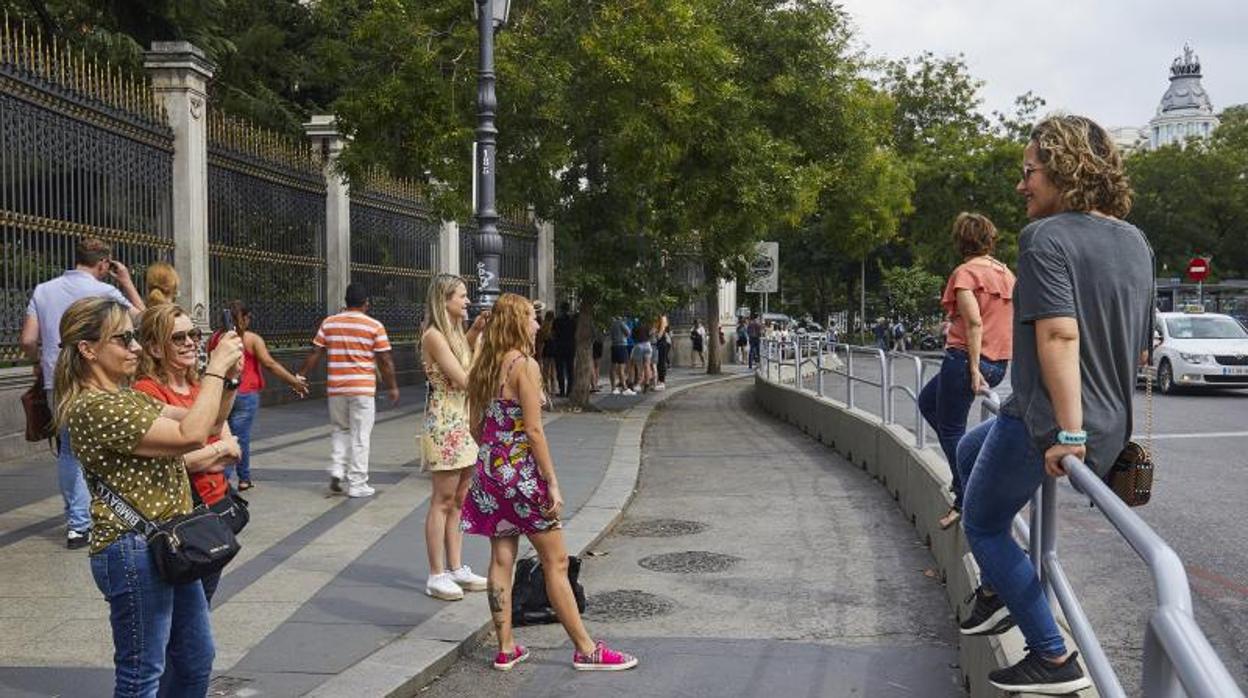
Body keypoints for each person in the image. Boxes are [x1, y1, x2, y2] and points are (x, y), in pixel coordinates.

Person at [957, 115, 1150, 694]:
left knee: (983, 523)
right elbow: (1138, 343)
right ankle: (1000, 588)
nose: (1021, 186)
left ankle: (1051, 655)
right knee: (968, 450)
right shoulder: (1134, 239)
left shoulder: (1044, 238)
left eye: (1030, 172)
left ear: (1066, 170)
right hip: (1102, 419)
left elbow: (1060, 336)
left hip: (1054, 420)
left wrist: (1066, 434)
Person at [55, 297, 243, 696]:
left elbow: (209, 424)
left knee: (196, 660)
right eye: (124, 340)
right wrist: (215, 368)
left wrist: (227, 379)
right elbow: (189, 437)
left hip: (166, 542)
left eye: (135, 338)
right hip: (131, 550)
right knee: (142, 674)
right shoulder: (94, 407)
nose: (136, 348)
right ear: (88, 349)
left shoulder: (128, 397)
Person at [461, 293, 638, 672]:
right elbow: (535, 432)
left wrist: (495, 455)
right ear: (515, 323)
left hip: (491, 473)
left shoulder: (484, 365)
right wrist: (552, 483)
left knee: (500, 558)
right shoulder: (524, 365)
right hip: (523, 475)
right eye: (531, 318)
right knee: (555, 561)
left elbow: (475, 425)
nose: (538, 325)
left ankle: (506, 647)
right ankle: (586, 649)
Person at [19, 237, 145, 549]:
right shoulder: (106, 292)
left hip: (56, 380)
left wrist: (40, 363)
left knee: (68, 451)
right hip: (100, 379)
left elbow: (26, 340)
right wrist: (127, 281)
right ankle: (112, 512)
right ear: (104, 264)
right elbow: (143, 316)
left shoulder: (43, 290)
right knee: (111, 446)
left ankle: (78, 525)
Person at [134, 303, 240, 604]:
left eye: (193, 334)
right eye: (178, 338)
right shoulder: (148, 391)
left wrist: (230, 381)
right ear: (154, 348)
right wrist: (216, 449)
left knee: (202, 605)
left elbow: (229, 444)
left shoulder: (199, 386)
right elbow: (174, 461)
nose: (191, 342)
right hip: (183, 522)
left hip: (215, 511)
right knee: (188, 615)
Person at [918, 213, 1015, 530]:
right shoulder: (1006, 274)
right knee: (926, 401)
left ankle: (965, 495)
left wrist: (973, 368)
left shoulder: (965, 274)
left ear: (961, 240)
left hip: (965, 360)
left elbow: (974, 322)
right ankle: (970, 469)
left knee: (950, 430)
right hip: (998, 363)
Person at [420, 274, 490, 601]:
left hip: (461, 421)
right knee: (442, 500)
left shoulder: (453, 333)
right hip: (446, 423)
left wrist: (475, 333)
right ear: (444, 299)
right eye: (461, 296)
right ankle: (436, 573)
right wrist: (480, 345)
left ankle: (457, 566)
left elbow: (464, 352)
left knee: (460, 499)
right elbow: (465, 379)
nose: (467, 301)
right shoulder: (434, 335)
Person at [296, 283, 398, 498]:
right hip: (362, 389)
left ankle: (337, 469)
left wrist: (301, 375)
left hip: (336, 388)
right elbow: (385, 360)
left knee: (340, 429)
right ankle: (358, 483)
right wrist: (392, 387)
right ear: (366, 303)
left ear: (345, 301)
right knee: (361, 435)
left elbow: (316, 351)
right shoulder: (374, 326)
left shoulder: (329, 323)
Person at [209, 300, 309, 490]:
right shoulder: (251, 339)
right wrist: (294, 381)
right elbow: (270, 364)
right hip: (245, 394)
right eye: (248, 317)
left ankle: (232, 477)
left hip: (221, 393)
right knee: (240, 438)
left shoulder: (215, 338)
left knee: (222, 436)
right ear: (244, 318)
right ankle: (235, 479)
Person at [553, 302, 577, 397]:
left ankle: (562, 390)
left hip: (559, 346)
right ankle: (569, 391)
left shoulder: (557, 320)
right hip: (570, 346)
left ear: (561, 309)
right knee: (570, 369)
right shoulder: (573, 321)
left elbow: (553, 333)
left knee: (560, 370)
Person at [609, 316, 632, 395]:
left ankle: (613, 388)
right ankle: (624, 388)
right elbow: (628, 333)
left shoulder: (612, 323)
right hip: (622, 345)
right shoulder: (621, 323)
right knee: (621, 368)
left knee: (613, 367)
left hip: (614, 345)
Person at [537, 310, 557, 396]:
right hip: (553, 349)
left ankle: (547, 388)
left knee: (545, 370)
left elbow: (541, 340)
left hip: (546, 349)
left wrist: (539, 352)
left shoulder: (543, 326)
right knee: (553, 370)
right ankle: (554, 388)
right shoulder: (555, 326)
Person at [653, 314, 671, 390]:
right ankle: (659, 381)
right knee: (658, 362)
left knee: (661, 361)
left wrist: (658, 336)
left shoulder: (663, 317)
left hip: (662, 342)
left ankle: (661, 381)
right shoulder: (659, 317)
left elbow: (662, 329)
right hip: (660, 342)